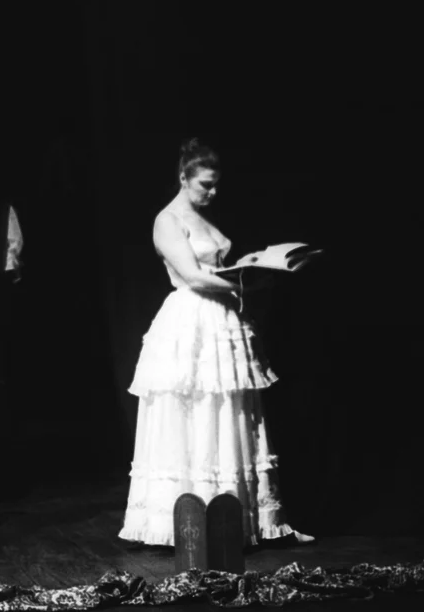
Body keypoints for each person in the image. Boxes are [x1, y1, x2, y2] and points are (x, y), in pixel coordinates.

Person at [118, 138, 312, 547]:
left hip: (222, 317)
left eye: (216, 185)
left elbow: (215, 269)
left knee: (228, 410)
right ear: (183, 177)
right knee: (196, 407)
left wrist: (252, 267)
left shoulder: (203, 218)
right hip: (192, 318)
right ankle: (190, 520)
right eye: (205, 184)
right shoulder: (168, 220)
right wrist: (244, 284)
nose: (212, 192)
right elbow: (193, 276)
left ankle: (239, 520)